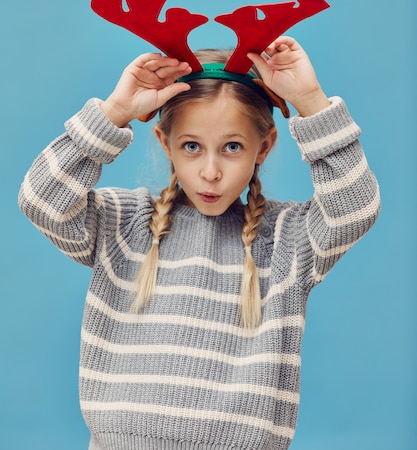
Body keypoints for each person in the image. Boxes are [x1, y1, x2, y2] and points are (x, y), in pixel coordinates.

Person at [18, 35, 380, 450]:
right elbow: (41, 199)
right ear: (165, 144)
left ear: (263, 147)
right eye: (192, 146)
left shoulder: (286, 240)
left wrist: (312, 101)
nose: (211, 171)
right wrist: (113, 113)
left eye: (232, 147)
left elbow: (356, 208)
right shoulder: (126, 224)